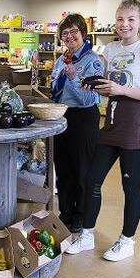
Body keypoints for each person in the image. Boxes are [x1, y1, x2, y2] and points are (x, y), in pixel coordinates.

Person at [65, 0, 140, 261]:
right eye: (120, 19)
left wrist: (120, 90)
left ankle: (127, 241)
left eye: (131, 19)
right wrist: (86, 82)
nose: (125, 24)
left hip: (135, 127)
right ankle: (86, 235)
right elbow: (104, 83)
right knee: (92, 180)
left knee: (129, 187)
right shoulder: (109, 49)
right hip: (110, 125)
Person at [49, 13, 104, 233]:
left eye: (74, 32)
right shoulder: (61, 60)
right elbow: (55, 90)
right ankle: (66, 212)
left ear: (83, 33)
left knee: (82, 171)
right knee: (63, 170)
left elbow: (90, 98)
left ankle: (80, 216)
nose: (70, 36)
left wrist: (73, 79)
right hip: (62, 116)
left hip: (83, 118)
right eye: (65, 33)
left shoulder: (93, 61)